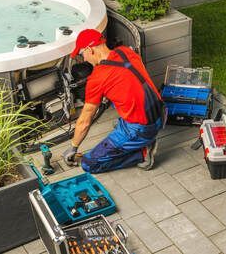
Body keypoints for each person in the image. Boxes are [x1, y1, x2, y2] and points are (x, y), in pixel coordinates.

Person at [61, 29, 165, 173]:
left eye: (81, 54)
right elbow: (129, 82)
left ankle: (142, 154)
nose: (83, 59)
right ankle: (137, 139)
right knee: (121, 107)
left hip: (141, 129)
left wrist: (73, 147)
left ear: (90, 50)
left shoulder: (98, 78)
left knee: (89, 164)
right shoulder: (125, 51)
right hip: (160, 113)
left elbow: (85, 121)